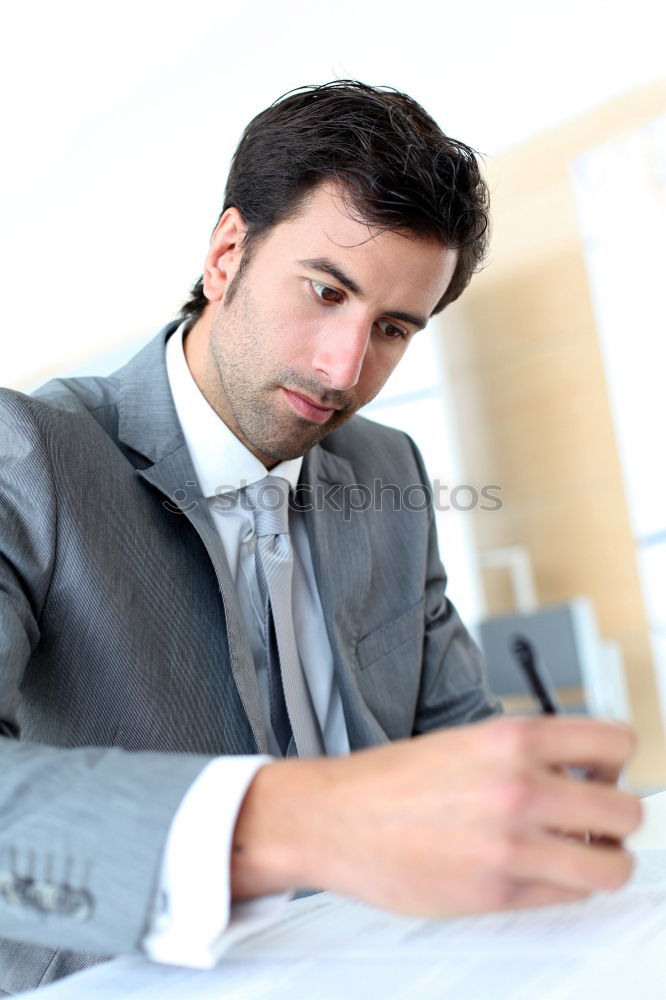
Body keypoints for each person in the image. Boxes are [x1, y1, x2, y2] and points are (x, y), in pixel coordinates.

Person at [0, 81, 640, 994]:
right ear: (227, 255)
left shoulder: (389, 469)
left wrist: (533, 803)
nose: (343, 368)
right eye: (324, 291)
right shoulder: (30, 454)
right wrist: (301, 823)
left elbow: (450, 726)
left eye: (391, 329)